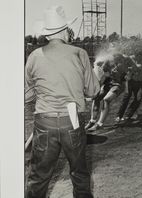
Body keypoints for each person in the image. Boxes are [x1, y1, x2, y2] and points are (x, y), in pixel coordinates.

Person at [25, 6, 100, 198]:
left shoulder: (34, 56)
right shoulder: (79, 53)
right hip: (72, 119)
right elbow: (92, 91)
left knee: (39, 176)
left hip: (44, 120)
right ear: (64, 30)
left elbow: (26, 96)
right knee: (79, 173)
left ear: (48, 34)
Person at [86, 53, 138, 131]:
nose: (116, 63)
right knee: (96, 98)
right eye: (115, 61)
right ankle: (92, 121)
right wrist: (97, 89)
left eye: (119, 61)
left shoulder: (124, 63)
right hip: (109, 83)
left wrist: (130, 74)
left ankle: (100, 124)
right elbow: (104, 77)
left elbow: (134, 69)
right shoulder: (107, 62)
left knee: (106, 100)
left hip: (118, 84)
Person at [115, 49, 142, 122]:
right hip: (130, 81)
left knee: (138, 98)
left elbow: (138, 68)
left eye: (139, 56)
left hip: (139, 82)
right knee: (126, 97)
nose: (137, 57)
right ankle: (119, 116)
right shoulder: (131, 58)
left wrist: (128, 67)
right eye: (136, 55)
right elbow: (123, 66)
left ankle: (128, 115)